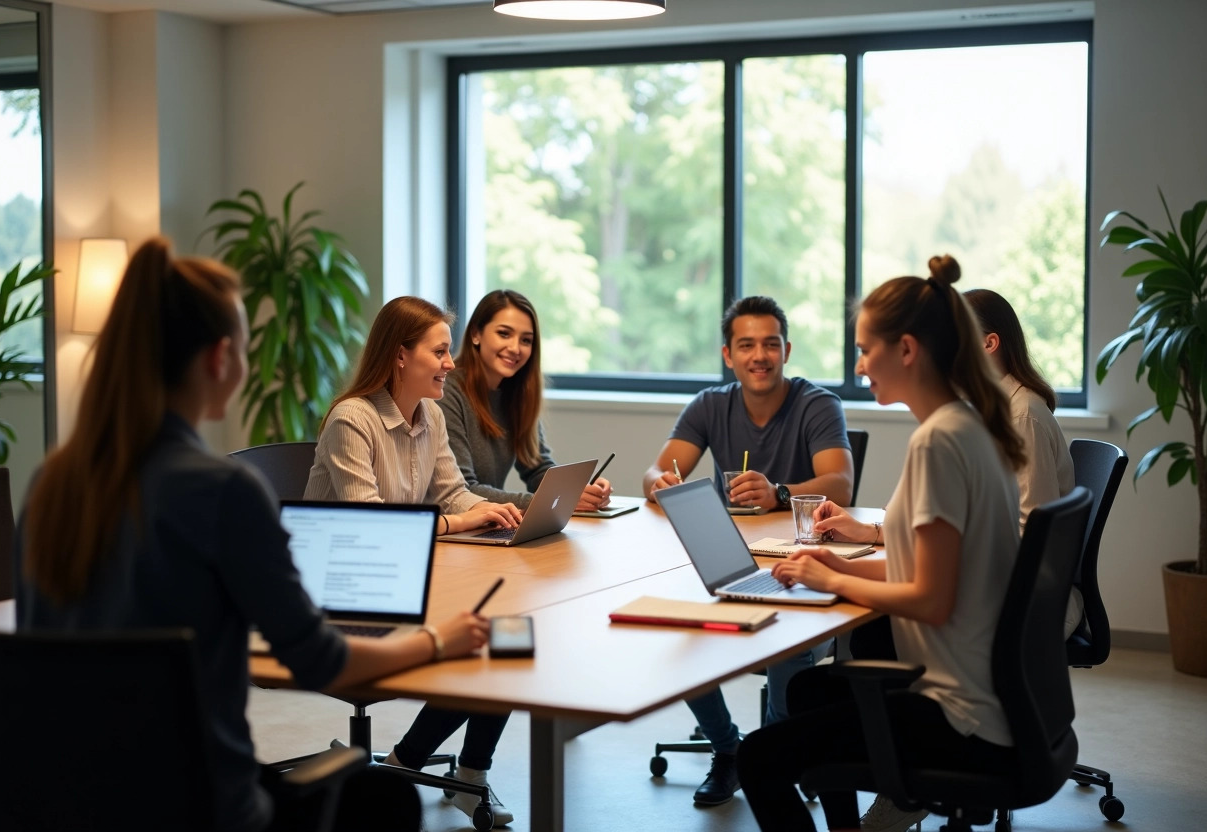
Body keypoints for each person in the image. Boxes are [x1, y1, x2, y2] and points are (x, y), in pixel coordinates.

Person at [13, 238, 489, 832]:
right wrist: (435, 644)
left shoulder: (47, 486)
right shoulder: (224, 492)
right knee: (385, 802)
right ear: (220, 359)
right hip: (204, 805)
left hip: (62, 800)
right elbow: (319, 659)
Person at [735, 255, 1025, 832]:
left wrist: (833, 580)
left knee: (757, 757)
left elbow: (932, 600)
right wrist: (823, 563)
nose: (860, 364)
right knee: (816, 691)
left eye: (867, 349)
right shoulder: (967, 426)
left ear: (908, 350)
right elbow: (924, 569)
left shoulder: (938, 444)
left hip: (958, 714)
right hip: (992, 695)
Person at [304, 295, 522, 826]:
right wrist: (460, 522)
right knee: (477, 637)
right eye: (440, 351)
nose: (451, 363)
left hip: (401, 575)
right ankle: (408, 767)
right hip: (346, 590)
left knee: (505, 631)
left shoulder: (429, 415)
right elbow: (373, 527)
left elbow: (451, 494)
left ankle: (467, 774)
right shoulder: (351, 420)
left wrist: (495, 510)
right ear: (400, 355)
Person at [641, 295, 855, 807]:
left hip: (797, 564)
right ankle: (732, 750)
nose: (759, 355)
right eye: (746, 345)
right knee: (680, 634)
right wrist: (664, 484)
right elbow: (654, 473)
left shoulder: (817, 403)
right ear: (727, 354)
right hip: (729, 559)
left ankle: (775, 756)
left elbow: (842, 483)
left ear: (787, 350)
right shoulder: (710, 404)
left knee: (790, 648)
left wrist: (779, 492)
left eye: (770, 344)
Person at [965, 287, 1079, 638]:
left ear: (989, 343)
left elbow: (1033, 530)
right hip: (1004, 576)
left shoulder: (1022, 416)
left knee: (885, 622)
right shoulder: (989, 408)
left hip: (1028, 592)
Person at [437, 289, 612, 511]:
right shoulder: (446, 392)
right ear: (475, 334)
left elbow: (537, 468)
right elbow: (463, 491)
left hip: (490, 524)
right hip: (453, 526)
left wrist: (579, 490)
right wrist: (553, 501)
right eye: (504, 334)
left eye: (526, 340)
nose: (515, 348)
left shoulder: (517, 393)